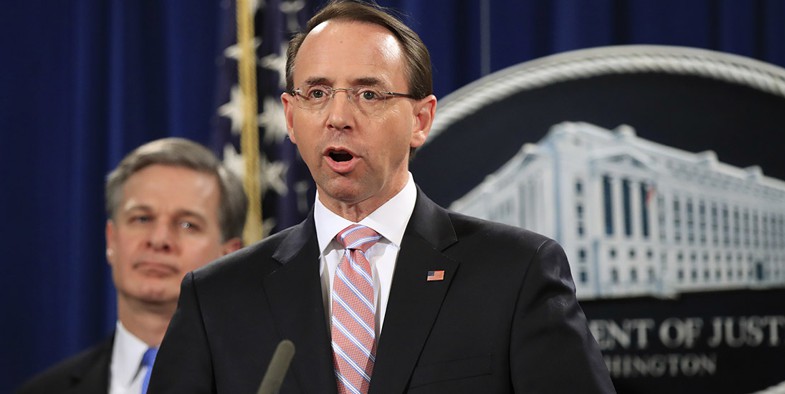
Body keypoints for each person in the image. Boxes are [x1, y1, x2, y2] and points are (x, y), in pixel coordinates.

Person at [149, 1, 615, 393]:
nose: (338, 116)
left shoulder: (516, 273)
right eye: (317, 92)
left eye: (368, 94)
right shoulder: (216, 300)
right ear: (290, 118)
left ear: (420, 120)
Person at [16, 138, 247, 394]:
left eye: (187, 224)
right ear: (111, 240)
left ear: (229, 255)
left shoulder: (264, 384)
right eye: (142, 218)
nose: (159, 240)